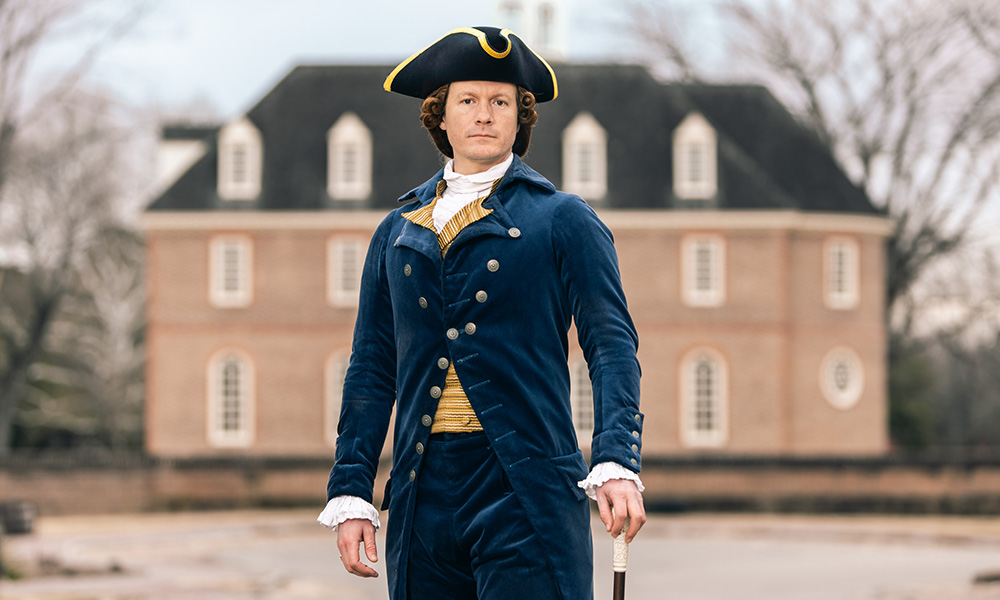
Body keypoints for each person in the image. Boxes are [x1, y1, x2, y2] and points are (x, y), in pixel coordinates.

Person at [318, 26, 645, 600]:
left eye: (500, 102)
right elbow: (371, 369)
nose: (484, 115)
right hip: (423, 494)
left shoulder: (564, 219)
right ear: (440, 116)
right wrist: (351, 492)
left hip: (525, 489)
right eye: (467, 100)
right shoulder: (395, 232)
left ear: (521, 118)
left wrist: (617, 457)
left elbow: (611, 344)